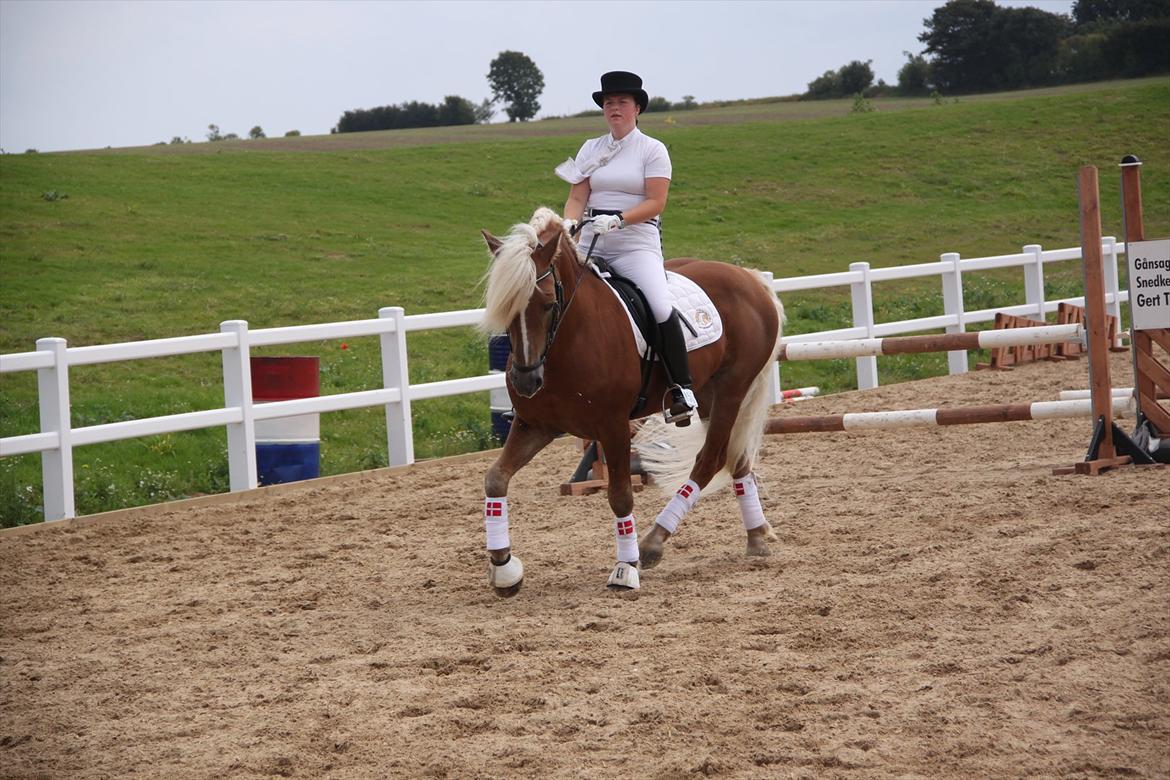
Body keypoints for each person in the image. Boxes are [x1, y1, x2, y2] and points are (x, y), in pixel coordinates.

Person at [557, 70, 698, 427]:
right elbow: (577, 195)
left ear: (636, 108)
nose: (613, 108)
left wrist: (619, 219)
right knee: (552, 296)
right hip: (590, 240)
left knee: (660, 305)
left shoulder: (652, 149)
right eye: (608, 103)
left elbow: (656, 202)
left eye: (621, 102)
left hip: (634, 243)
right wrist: (570, 224)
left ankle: (680, 389)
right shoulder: (591, 148)